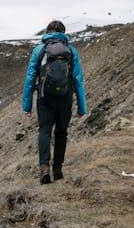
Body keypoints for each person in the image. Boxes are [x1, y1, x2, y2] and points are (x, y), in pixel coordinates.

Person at [21, 20, 87, 184]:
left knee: (44, 131)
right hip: (65, 97)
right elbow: (78, 79)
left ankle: (44, 168)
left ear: (47, 32)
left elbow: (30, 78)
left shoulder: (40, 50)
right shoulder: (71, 50)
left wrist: (27, 106)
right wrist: (81, 107)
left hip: (45, 97)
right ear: (63, 33)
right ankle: (58, 169)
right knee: (61, 132)